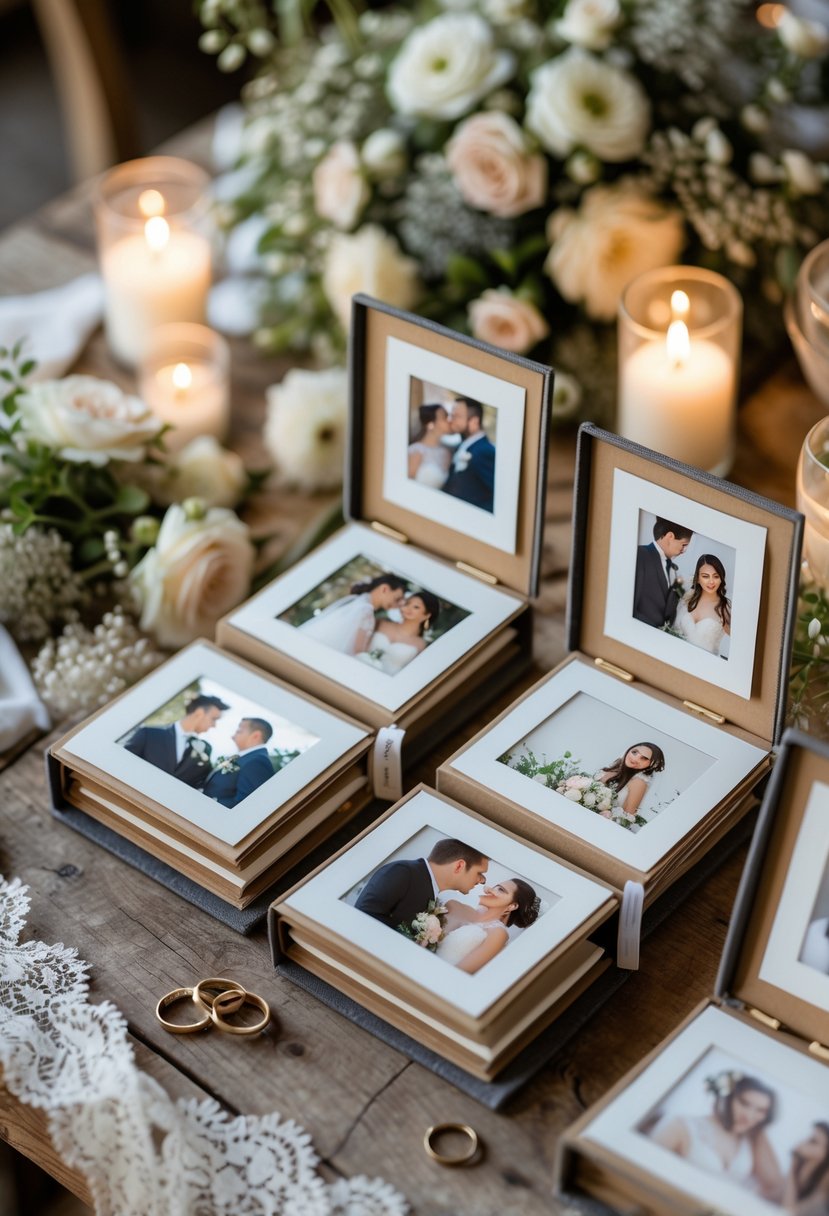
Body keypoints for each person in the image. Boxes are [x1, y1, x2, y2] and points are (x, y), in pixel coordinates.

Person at [649, 1072, 783, 1199]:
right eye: (744, 1103)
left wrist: (759, 1128)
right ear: (726, 1097)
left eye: (761, 1110)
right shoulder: (681, 1126)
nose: (749, 1115)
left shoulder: (750, 1142)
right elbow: (648, 1169)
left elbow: (774, 1184)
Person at [355, 837, 488, 931]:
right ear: (459, 866)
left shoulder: (433, 896)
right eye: (480, 873)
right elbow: (362, 915)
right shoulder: (402, 872)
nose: (482, 880)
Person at [436, 878, 540, 974]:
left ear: (513, 906)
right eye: (496, 887)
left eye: (501, 890)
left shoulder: (499, 933)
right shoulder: (460, 907)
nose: (488, 890)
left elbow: (463, 971)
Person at [123, 694, 229, 788]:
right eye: (214, 719)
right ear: (199, 713)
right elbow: (122, 763)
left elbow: (202, 783)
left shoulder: (205, 749)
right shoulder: (149, 734)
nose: (214, 725)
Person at [297, 573, 408, 655]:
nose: (397, 604)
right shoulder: (366, 611)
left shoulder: (357, 600)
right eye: (396, 598)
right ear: (384, 589)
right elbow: (357, 651)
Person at [357, 590, 441, 675]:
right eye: (407, 604)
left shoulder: (420, 645)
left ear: (427, 615)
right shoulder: (381, 623)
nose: (409, 608)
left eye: (416, 607)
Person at [633, 517, 693, 628]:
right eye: (684, 544)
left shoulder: (674, 569)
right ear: (670, 536)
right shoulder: (640, 554)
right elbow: (630, 604)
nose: (684, 551)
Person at [202, 717, 275, 808]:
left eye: (239, 731)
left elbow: (247, 805)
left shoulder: (257, 763)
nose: (232, 736)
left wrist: (206, 803)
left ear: (255, 736)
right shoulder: (244, 758)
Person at [442, 396, 496, 512]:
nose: (450, 420)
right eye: (452, 415)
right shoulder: (461, 446)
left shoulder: (485, 451)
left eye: (456, 416)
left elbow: (497, 497)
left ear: (474, 422)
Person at [675, 553, 732, 656]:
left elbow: (738, 641)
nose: (711, 581)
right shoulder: (688, 597)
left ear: (721, 578)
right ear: (698, 578)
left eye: (716, 576)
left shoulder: (725, 607)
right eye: (705, 576)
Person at [595, 742, 665, 820]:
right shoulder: (612, 768)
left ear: (651, 764)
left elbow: (626, 818)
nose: (635, 758)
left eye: (644, 758)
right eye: (634, 752)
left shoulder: (638, 782)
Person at [783, 1122, 829, 1214]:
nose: (805, 1142)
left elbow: (789, 1210)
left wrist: (793, 1165)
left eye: (813, 1141)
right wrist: (794, 1165)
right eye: (808, 1138)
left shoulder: (825, 1182)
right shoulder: (802, 1170)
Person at [408, 404, 452, 489]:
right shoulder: (416, 450)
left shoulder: (446, 453)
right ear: (431, 424)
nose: (449, 421)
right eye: (444, 417)